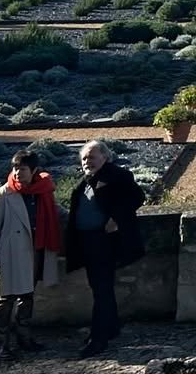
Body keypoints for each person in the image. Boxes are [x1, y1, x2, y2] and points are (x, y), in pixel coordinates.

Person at [62, 141, 145, 359]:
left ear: (105, 157)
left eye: (91, 157)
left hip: (105, 242)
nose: (86, 161)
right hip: (88, 241)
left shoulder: (117, 175)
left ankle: (98, 339)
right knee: (100, 288)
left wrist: (116, 218)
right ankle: (111, 328)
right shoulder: (86, 180)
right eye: (84, 158)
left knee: (102, 290)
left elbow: (137, 198)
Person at [0, 150, 62, 363]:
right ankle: (1, 344)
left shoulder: (43, 192)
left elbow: (56, 213)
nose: (17, 173)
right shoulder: (3, 194)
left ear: (34, 171)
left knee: (27, 296)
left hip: (35, 251)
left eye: (23, 169)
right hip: (10, 254)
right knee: (5, 299)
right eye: (15, 168)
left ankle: (24, 338)